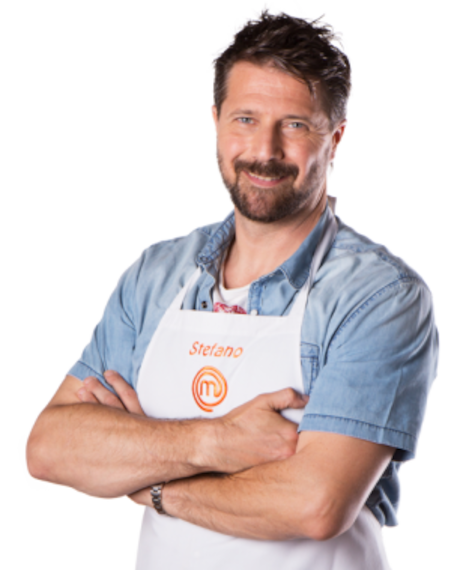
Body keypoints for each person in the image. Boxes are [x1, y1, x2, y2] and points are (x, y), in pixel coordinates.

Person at [25, 7, 440, 570]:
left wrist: (148, 482)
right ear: (216, 119)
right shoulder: (157, 272)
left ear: (335, 138)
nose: (265, 151)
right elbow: (50, 448)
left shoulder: (380, 295)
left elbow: (316, 504)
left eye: (294, 125)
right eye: (246, 118)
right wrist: (213, 442)